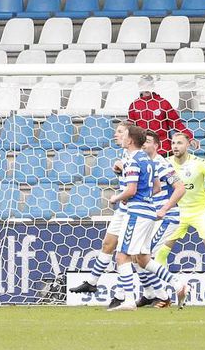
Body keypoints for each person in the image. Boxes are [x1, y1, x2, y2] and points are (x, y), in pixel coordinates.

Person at [154, 131, 205, 306]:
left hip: (200, 212)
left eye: (179, 143)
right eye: (173, 143)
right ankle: (164, 292)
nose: (175, 146)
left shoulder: (198, 164)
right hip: (177, 213)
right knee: (161, 252)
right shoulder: (166, 164)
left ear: (188, 145)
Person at [107, 122, 179, 312]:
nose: (120, 137)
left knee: (122, 256)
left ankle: (128, 300)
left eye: (123, 135)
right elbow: (156, 187)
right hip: (148, 212)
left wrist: (117, 197)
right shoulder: (148, 160)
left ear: (130, 139)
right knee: (143, 259)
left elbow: (130, 189)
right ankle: (177, 284)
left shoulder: (132, 161)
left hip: (137, 212)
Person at [69, 121, 131, 297]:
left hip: (135, 209)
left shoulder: (137, 155)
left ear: (129, 134)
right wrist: (120, 171)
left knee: (128, 256)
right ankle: (92, 282)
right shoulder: (125, 154)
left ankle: (125, 295)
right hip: (124, 208)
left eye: (120, 131)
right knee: (108, 243)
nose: (115, 135)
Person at [137, 131, 186, 308]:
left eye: (148, 141)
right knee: (135, 255)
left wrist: (165, 208)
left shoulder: (162, 164)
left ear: (157, 146)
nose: (144, 144)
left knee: (144, 255)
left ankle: (166, 293)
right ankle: (150, 294)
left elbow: (180, 188)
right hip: (149, 216)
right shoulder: (144, 164)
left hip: (165, 218)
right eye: (142, 141)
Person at [127, 80, 192, 157]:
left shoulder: (163, 103)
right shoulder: (134, 105)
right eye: (144, 85)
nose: (147, 88)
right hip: (143, 149)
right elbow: (130, 127)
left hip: (163, 149)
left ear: (153, 86)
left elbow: (176, 123)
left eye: (149, 85)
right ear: (140, 86)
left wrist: (190, 137)